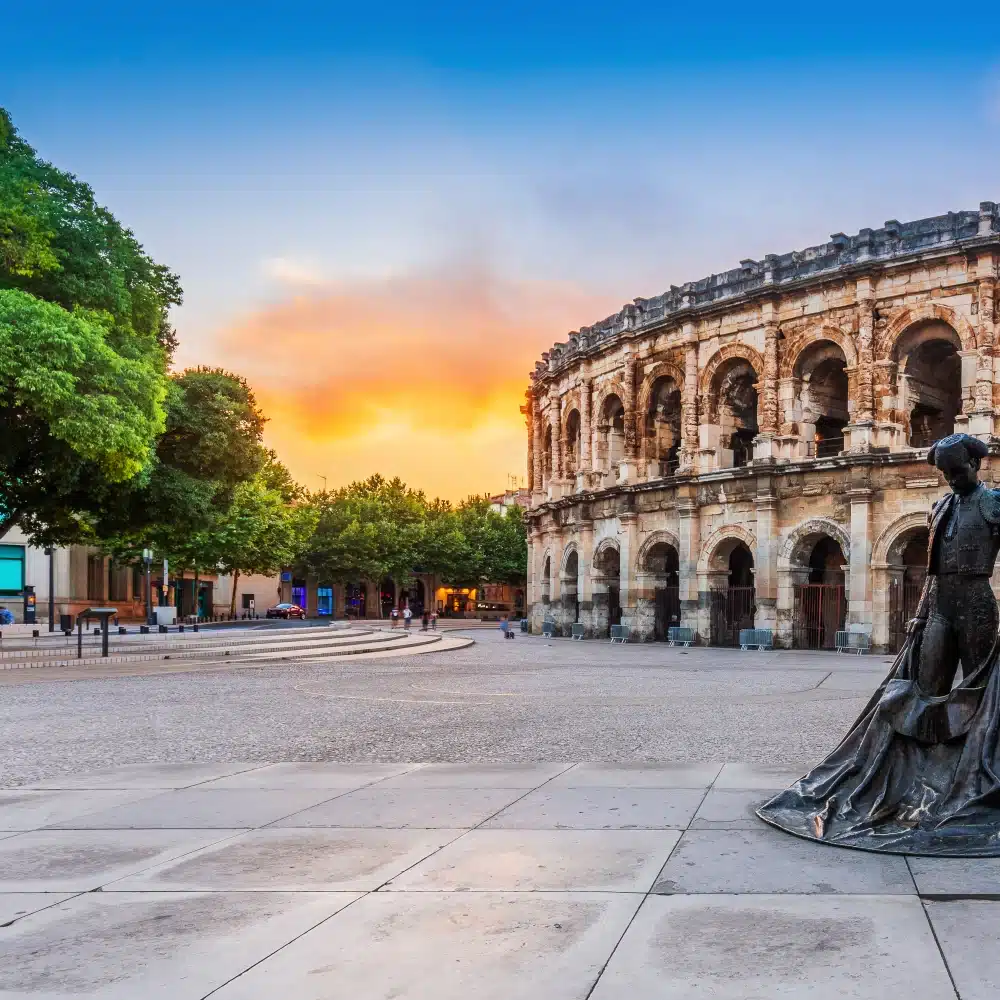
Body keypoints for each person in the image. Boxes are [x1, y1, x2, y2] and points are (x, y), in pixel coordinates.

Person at [759, 433, 1000, 855]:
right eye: (944, 472)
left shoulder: (993, 502)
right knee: (924, 689)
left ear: (975, 464)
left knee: (977, 691)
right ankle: (918, 774)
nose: (950, 478)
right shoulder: (941, 507)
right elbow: (933, 572)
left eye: (957, 470)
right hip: (941, 606)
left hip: (977, 602)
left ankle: (971, 770)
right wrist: (922, 613)